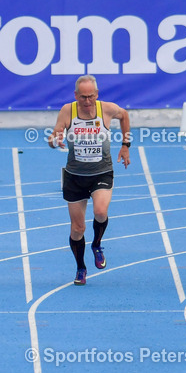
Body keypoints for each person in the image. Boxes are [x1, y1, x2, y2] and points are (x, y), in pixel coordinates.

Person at [48, 74, 131, 286]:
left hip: (101, 172)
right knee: (77, 229)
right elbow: (54, 135)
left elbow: (125, 116)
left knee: (100, 212)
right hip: (75, 176)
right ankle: (81, 267)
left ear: (97, 94)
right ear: (76, 95)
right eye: (83, 97)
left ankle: (97, 244)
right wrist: (54, 140)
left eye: (91, 96)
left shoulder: (108, 109)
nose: (87, 102)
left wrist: (125, 145)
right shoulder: (68, 110)